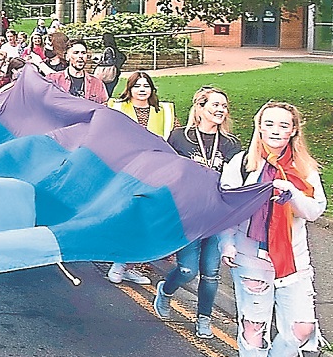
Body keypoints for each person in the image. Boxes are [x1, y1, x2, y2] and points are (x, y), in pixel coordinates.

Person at [220, 101, 326, 357]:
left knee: (303, 326)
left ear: (294, 130)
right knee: (254, 325)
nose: (275, 131)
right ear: (259, 127)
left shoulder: (304, 169)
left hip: (293, 259)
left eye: (283, 125)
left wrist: (292, 192)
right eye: (269, 124)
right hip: (251, 255)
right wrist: (226, 243)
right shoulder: (243, 163)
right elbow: (226, 206)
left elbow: (315, 212)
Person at [154, 85, 242, 337]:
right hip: (188, 214)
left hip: (217, 215)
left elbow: (238, 177)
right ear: (200, 107)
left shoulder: (230, 143)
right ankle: (166, 290)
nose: (221, 110)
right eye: (215, 105)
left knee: (211, 273)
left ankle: (204, 318)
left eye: (224, 106)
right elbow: (167, 171)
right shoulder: (180, 137)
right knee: (187, 270)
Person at [103, 71, 176, 285]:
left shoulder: (164, 111)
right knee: (127, 216)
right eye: (137, 86)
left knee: (146, 220)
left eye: (146, 85)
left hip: (154, 172)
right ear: (130, 89)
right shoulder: (117, 108)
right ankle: (119, 262)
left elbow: (171, 141)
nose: (142, 89)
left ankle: (130, 265)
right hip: (126, 171)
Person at [47, 39, 109, 103]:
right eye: (76, 53)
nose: (80, 56)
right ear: (67, 57)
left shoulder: (97, 83)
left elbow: (104, 107)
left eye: (83, 53)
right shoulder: (54, 80)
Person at [95, 33, 126, 97]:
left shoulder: (108, 50)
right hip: (114, 75)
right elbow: (123, 57)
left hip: (107, 75)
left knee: (105, 93)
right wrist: (117, 67)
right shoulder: (115, 50)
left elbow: (109, 62)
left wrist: (99, 62)